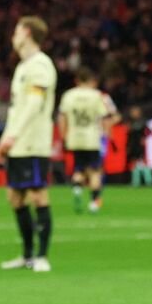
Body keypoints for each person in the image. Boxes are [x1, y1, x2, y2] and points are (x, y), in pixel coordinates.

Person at [0, 16, 57, 273]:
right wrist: (4, 140)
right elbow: (17, 110)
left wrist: (12, 136)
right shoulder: (23, 67)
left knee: (38, 195)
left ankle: (42, 256)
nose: (13, 36)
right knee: (15, 197)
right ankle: (27, 255)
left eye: (16, 31)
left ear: (27, 33)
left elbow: (34, 104)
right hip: (18, 142)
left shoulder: (40, 65)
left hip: (33, 142)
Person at [57, 67, 119, 214]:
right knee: (95, 171)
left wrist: (63, 136)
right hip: (92, 138)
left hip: (74, 138)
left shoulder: (68, 95)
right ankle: (93, 203)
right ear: (91, 80)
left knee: (78, 168)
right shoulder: (97, 95)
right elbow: (106, 117)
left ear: (77, 80)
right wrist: (108, 135)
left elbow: (62, 117)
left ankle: (77, 190)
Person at [125, 106, 152, 187]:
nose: (133, 113)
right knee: (133, 162)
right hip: (132, 145)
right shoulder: (129, 122)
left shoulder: (143, 121)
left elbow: (149, 131)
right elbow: (129, 134)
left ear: (139, 113)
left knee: (144, 162)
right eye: (132, 112)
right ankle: (135, 182)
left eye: (135, 112)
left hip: (139, 145)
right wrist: (128, 146)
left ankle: (149, 181)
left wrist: (144, 137)